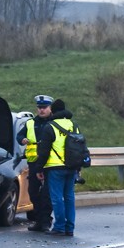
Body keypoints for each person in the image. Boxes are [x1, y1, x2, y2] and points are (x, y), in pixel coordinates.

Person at [35, 99, 80, 236]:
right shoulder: (73, 125)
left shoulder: (50, 126)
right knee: (69, 197)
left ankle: (59, 227)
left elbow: (44, 151)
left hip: (55, 167)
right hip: (72, 166)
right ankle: (70, 228)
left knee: (56, 198)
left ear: (53, 111)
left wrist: (39, 168)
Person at [16, 94, 54, 232]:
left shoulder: (54, 122)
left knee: (47, 194)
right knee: (32, 192)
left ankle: (45, 221)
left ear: (50, 108)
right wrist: (22, 140)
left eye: (44, 107)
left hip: (50, 163)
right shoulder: (31, 123)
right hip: (34, 162)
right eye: (39, 108)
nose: (41, 110)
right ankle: (39, 220)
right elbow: (19, 135)